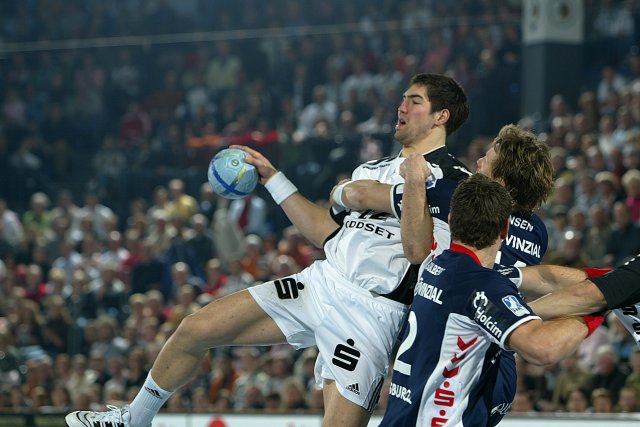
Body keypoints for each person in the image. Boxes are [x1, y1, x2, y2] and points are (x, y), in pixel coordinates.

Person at [65, 73, 470, 427]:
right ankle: (133, 419)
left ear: (441, 116)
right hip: (320, 283)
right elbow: (326, 233)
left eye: (414, 101)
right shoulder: (370, 168)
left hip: (372, 312)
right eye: (402, 98)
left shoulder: (454, 180)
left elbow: (417, 250)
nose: (401, 107)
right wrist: (274, 178)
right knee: (195, 329)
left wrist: (362, 192)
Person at [337, 123, 554, 422]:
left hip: (449, 354)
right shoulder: (538, 232)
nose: (477, 162)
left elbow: (364, 196)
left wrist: (340, 193)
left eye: (486, 158)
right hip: (501, 365)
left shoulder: (454, 195)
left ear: (500, 182)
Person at [378, 174, 598, 427]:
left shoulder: (432, 264)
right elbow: (544, 348)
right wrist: (597, 309)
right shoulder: (482, 283)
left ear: (450, 220)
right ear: (505, 229)